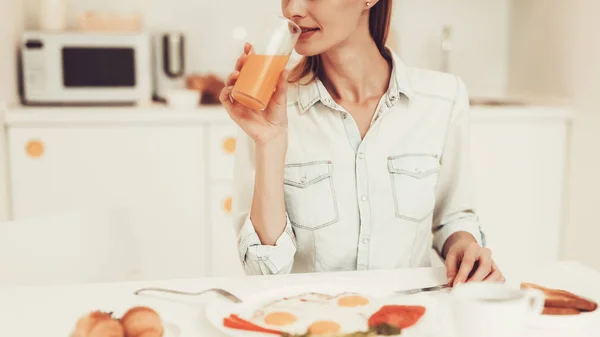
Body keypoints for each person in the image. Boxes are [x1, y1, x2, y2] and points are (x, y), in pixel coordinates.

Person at [219, 0, 504, 286]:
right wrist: (270, 142)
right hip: (312, 321)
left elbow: (453, 218)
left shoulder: (443, 98)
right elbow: (263, 273)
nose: (292, 8)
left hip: (406, 320)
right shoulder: (269, 106)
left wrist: (464, 246)